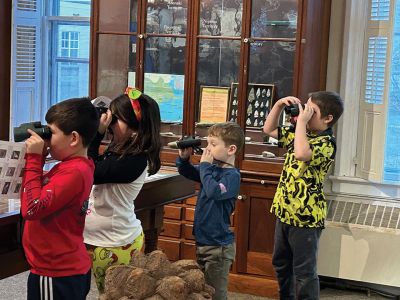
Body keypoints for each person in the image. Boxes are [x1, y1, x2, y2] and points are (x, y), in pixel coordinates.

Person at [263, 91, 344, 300]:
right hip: (285, 211)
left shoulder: (327, 144)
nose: (305, 113)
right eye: (305, 107)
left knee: (304, 272)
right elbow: (268, 129)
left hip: (305, 217)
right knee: (280, 263)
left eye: (311, 111)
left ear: (328, 119)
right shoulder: (302, 132)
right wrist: (280, 105)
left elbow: (301, 153)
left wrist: (300, 123)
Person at [83, 87, 162, 294]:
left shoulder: (135, 160)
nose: (109, 125)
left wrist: (96, 136)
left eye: (115, 120)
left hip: (115, 244)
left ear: (136, 127)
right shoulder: (120, 148)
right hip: (103, 238)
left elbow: (90, 171)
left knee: (112, 295)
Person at [20, 97, 99, 300]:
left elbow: (32, 209)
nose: (46, 139)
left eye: (51, 133)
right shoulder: (71, 166)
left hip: (56, 272)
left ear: (73, 138)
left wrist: (34, 159)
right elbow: (34, 194)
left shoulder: (74, 172)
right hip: (62, 269)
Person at [176, 122, 245, 300]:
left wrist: (205, 167)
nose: (208, 149)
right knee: (203, 289)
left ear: (231, 149)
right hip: (203, 241)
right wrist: (183, 159)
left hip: (218, 247)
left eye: (213, 145)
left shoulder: (232, 176)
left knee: (216, 293)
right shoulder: (212, 169)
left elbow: (214, 191)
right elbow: (188, 172)